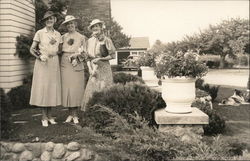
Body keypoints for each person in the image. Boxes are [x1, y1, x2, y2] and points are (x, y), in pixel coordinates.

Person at [29, 11, 61, 127]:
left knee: (51, 88)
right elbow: (32, 49)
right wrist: (39, 56)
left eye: (51, 18)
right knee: (44, 88)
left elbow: (60, 49)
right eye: (47, 19)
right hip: (43, 63)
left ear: (55, 20)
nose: (49, 21)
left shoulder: (58, 34)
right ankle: (43, 117)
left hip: (54, 62)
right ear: (44, 21)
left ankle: (50, 116)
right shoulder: (40, 33)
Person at [81, 19, 116, 111]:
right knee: (93, 90)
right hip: (93, 69)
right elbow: (87, 57)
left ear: (101, 27)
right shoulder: (89, 41)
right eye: (93, 26)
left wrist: (100, 58)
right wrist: (89, 68)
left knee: (104, 89)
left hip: (104, 68)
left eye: (97, 26)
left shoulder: (106, 40)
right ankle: (92, 113)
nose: (95, 28)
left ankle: (106, 112)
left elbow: (112, 55)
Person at [60, 15, 87, 124]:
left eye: (72, 23)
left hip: (76, 63)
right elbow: (57, 50)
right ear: (66, 26)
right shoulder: (63, 37)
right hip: (65, 63)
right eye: (68, 24)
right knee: (67, 89)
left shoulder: (82, 37)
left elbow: (85, 54)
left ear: (75, 24)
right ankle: (70, 114)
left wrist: (77, 56)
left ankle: (75, 115)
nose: (70, 25)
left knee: (76, 89)